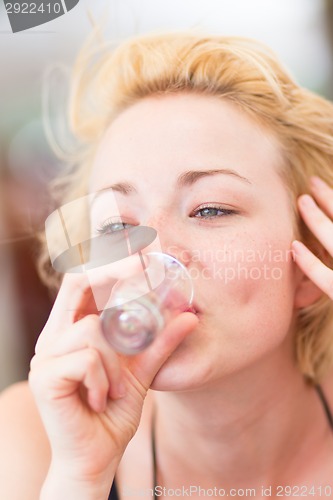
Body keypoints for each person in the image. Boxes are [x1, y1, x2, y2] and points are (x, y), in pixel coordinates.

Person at [0, 31, 333, 500]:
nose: (150, 257)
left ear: (313, 258)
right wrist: (80, 478)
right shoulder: (33, 443)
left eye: (210, 209)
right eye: (117, 225)